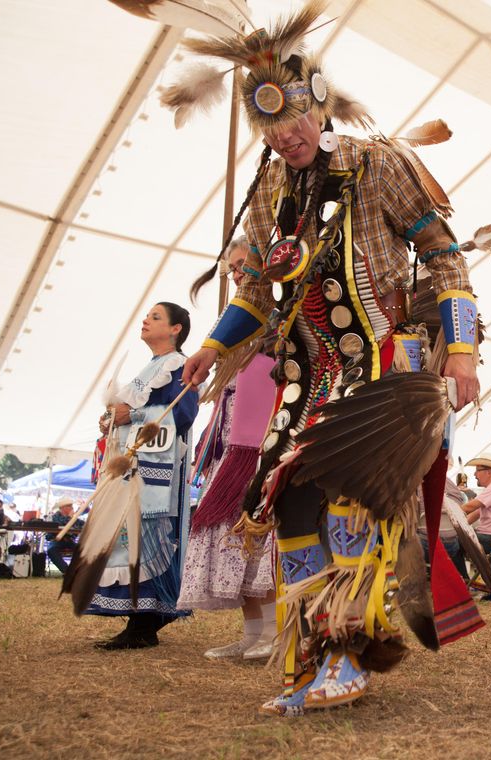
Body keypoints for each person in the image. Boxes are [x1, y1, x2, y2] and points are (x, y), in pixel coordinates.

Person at [169, 5, 491, 714]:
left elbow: (445, 258)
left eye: (295, 119)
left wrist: (461, 349)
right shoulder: (269, 198)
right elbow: (254, 291)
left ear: (318, 105)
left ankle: (349, 658)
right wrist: (214, 346)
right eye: (270, 127)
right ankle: (309, 660)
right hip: (306, 378)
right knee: (291, 513)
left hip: (379, 368)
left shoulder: (378, 166)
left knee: (352, 510)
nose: (286, 136)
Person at [177, 238, 277, 661]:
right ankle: (253, 634)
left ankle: (274, 633)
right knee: (228, 537)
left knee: (253, 533)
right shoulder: (230, 334)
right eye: (231, 269)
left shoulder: (277, 321)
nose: (236, 274)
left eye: (241, 265)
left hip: (258, 449)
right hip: (228, 448)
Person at [84, 301, 199, 650]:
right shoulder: (151, 368)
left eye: (156, 317)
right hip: (133, 468)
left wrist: (131, 417)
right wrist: (112, 421)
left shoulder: (179, 365)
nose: (146, 321)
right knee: (128, 538)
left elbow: (182, 415)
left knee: (149, 538)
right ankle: (139, 620)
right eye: (147, 316)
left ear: (176, 329)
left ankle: (146, 622)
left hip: (156, 475)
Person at [46, 498, 83, 574]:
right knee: (51, 550)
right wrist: (70, 518)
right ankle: (67, 571)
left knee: (82, 550)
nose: (72, 508)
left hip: (69, 540)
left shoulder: (73, 517)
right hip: (56, 540)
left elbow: (83, 523)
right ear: (63, 507)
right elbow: (61, 524)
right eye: (69, 506)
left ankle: (77, 571)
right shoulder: (55, 516)